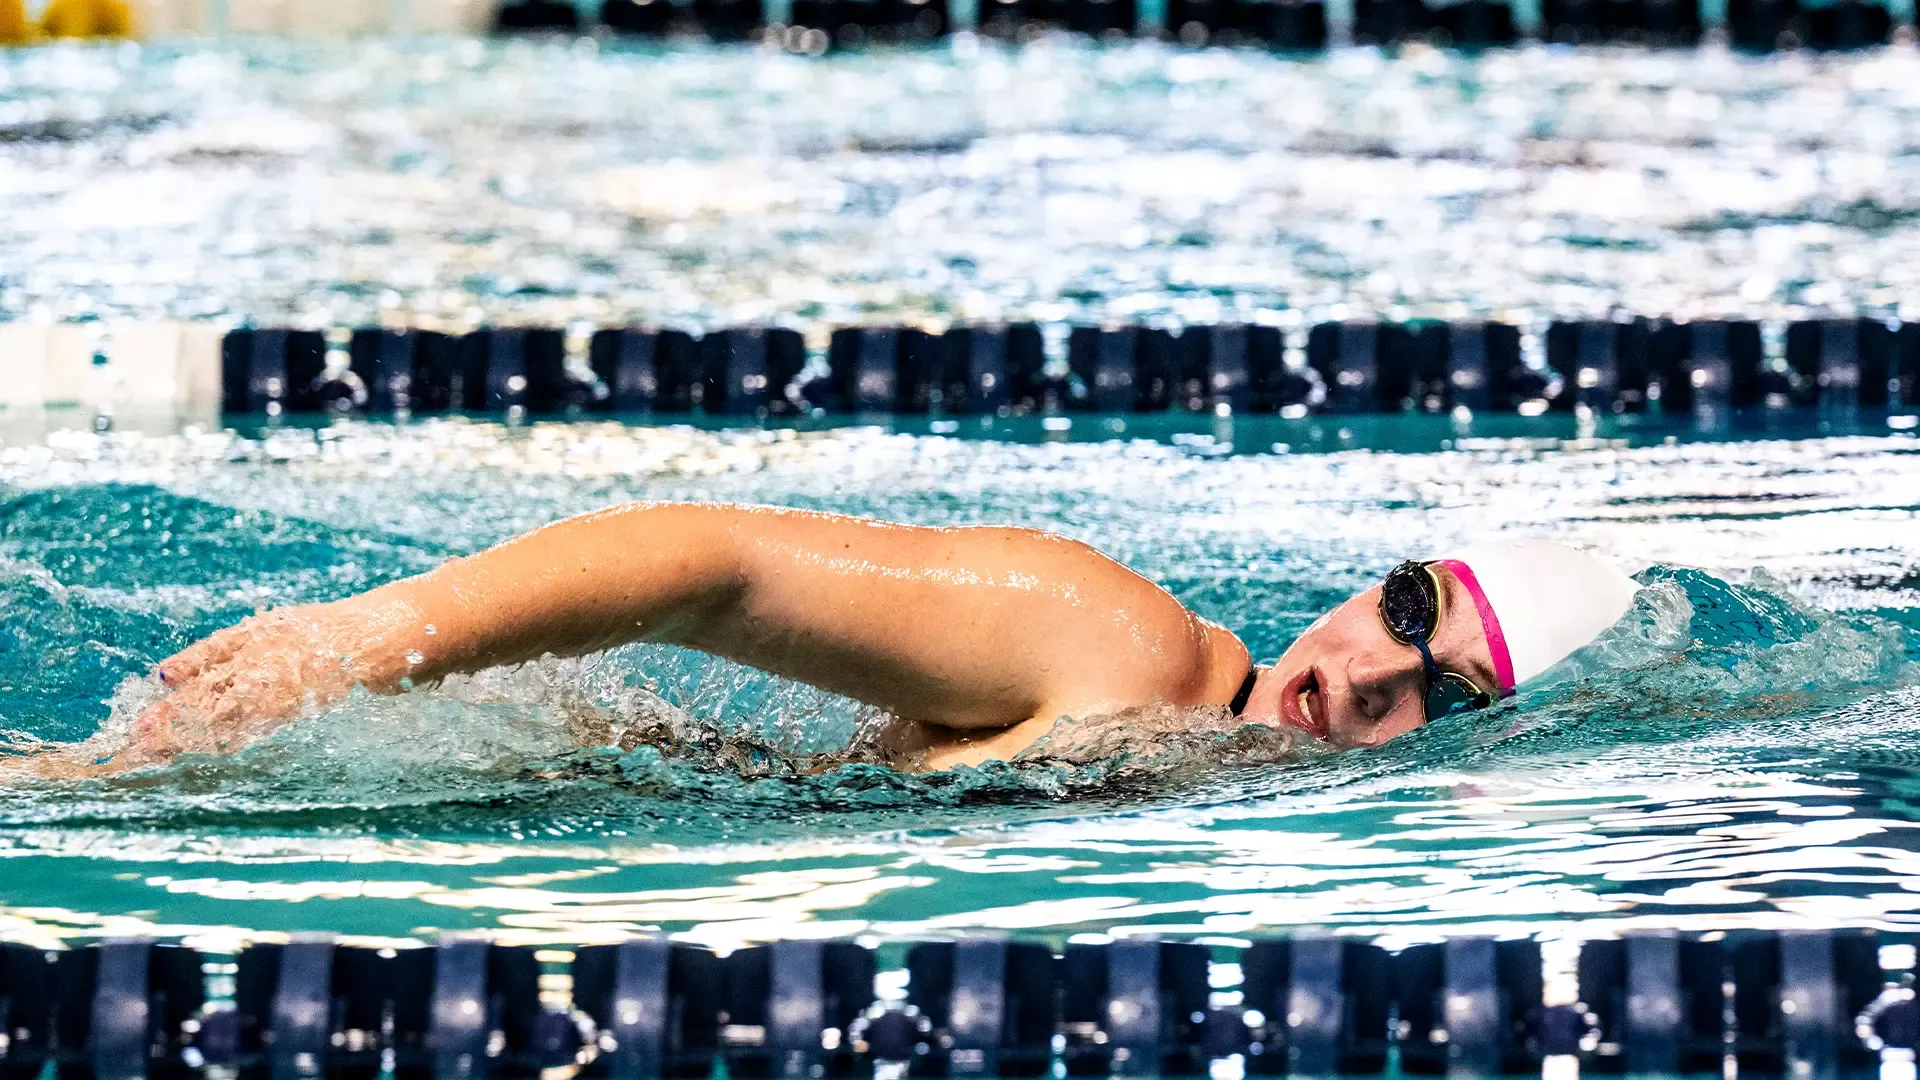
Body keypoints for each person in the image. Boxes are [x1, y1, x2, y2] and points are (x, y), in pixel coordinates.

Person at [129, 503, 1641, 773]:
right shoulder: (1124, 646)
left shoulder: (1208, 774)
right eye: (1407, 611)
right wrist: (357, 641)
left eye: (1441, 694)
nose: (1368, 673)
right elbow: (711, 568)